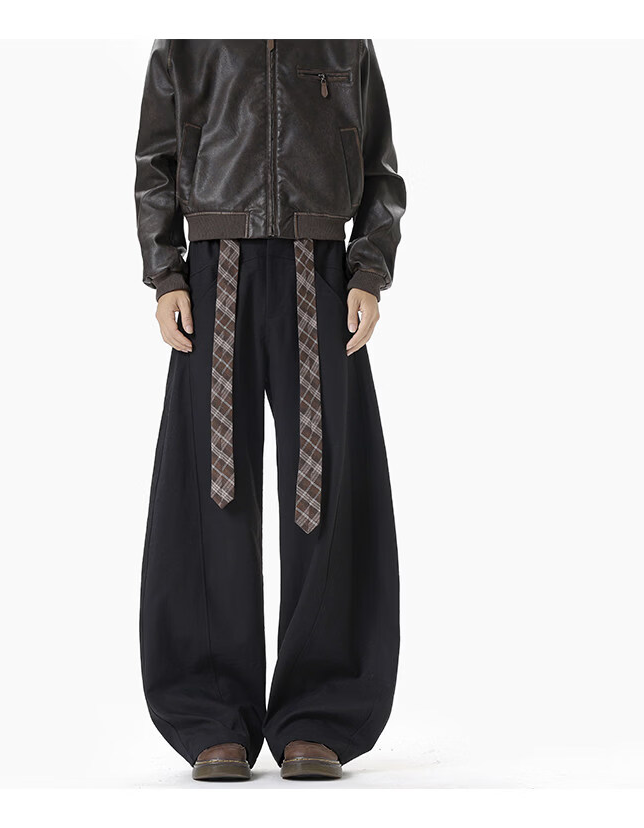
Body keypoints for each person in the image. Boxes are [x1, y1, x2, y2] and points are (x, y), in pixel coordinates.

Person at [134, 39, 406, 781]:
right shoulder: (187, 37)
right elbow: (155, 160)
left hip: (321, 268)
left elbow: (379, 167)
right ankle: (212, 713)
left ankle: (320, 712)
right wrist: (165, 274)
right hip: (213, 267)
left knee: (327, 487)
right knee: (210, 487)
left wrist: (369, 270)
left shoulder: (343, 35)